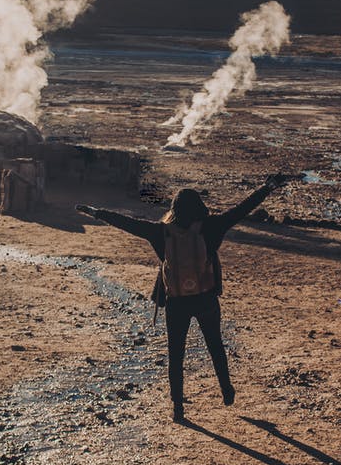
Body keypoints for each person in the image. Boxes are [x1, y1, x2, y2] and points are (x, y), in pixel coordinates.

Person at [77, 174, 295, 423]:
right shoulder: (211, 227)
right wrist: (267, 187)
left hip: (176, 301)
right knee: (215, 345)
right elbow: (241, 210)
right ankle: (226, 389)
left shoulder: (161, 232)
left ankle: (178, 407)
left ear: (174, 208)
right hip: (206, 298)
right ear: (199, 206)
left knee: (176, 354)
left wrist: (96, 212)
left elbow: (128, 223)